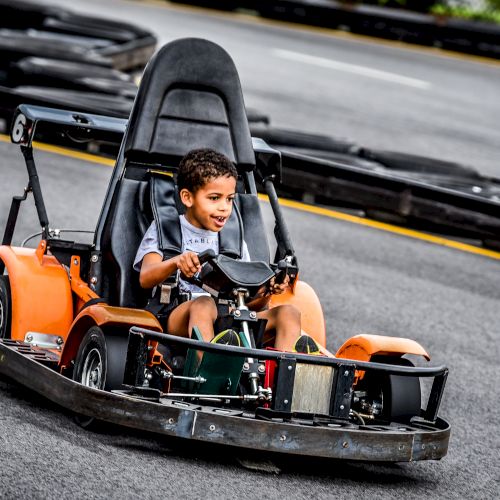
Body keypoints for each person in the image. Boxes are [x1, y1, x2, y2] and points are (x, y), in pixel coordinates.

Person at [134, 148, 315, 352]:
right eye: (214, 198)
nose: (224, 207)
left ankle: (281, 378)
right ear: (187, 198)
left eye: (229, 199)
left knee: (288, 313)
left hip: (228, 317)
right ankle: (209, 373)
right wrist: (176, 262)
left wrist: (266, 292)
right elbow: (145, 277)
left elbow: (248, 303)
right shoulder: (167, 229)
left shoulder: (233, 238)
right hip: (176, 315)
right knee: (204, 304)